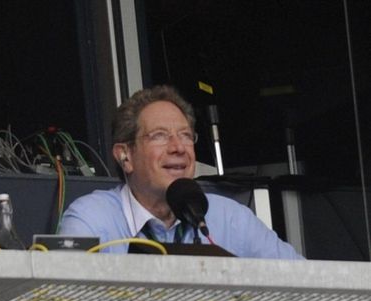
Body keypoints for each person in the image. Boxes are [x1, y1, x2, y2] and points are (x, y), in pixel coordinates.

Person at [59, 85, 303, 259]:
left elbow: (303, 283)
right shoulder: (92, 218)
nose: (178, 148)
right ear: (126, 156)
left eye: (185, 135)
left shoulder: (230, 219)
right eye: (160, 136)